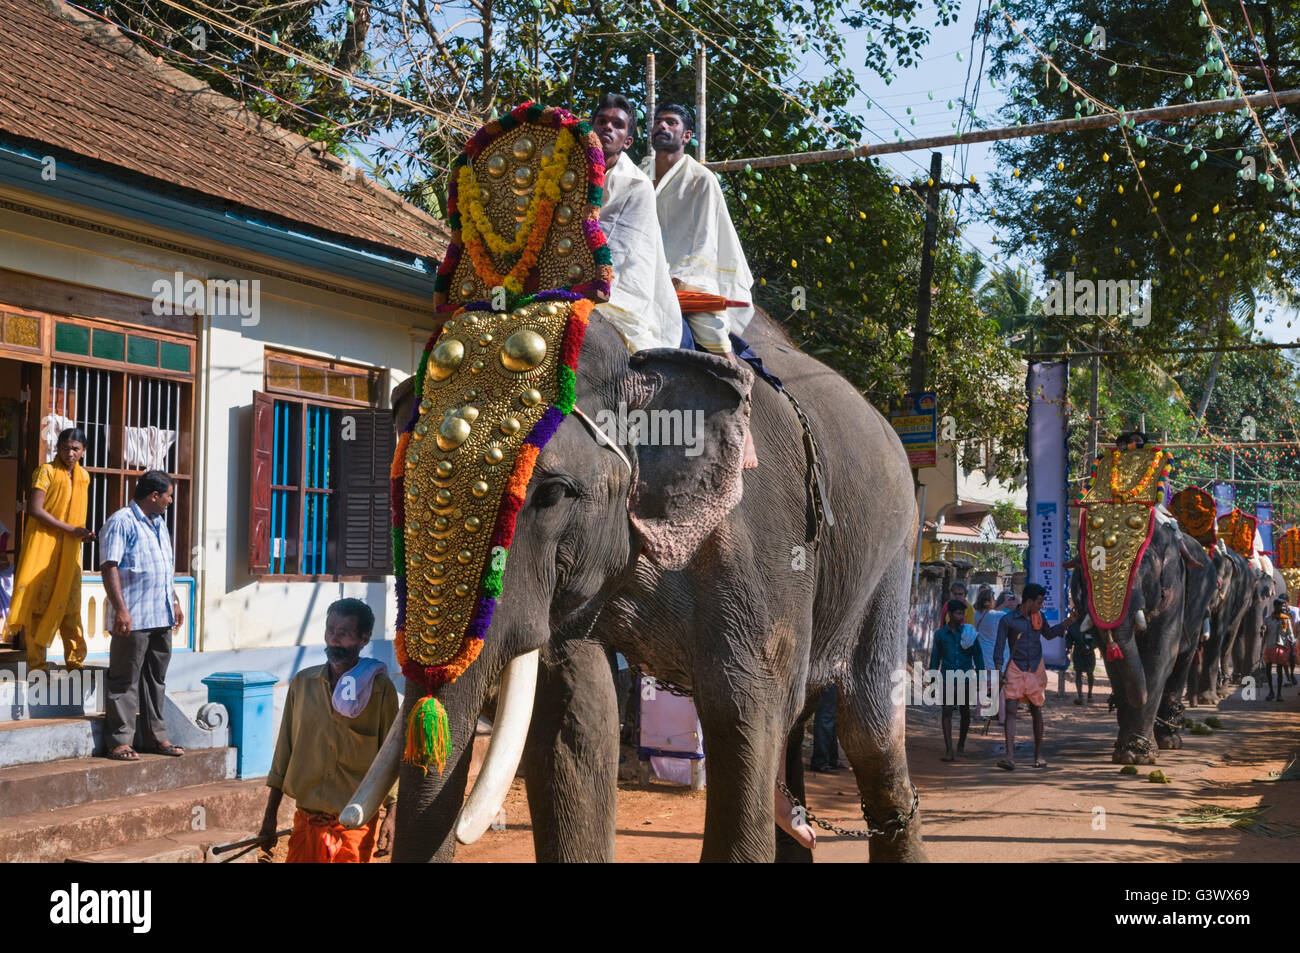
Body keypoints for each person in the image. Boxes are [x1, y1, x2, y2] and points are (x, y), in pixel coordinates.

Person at [641, 103, 758, 469]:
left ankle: (745, 428)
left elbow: (703, 239)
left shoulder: (701, 180)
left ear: (686, 136)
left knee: (712, 335)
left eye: (671, 122)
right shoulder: (636, 174)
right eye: (658, 121)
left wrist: (676, 276)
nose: (662, 126)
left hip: (686, 277)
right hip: (640, 278)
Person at [259, 599, 398, 863]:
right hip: (306, 824)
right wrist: (269, 817)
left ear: (363, 639)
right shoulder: (302, 684)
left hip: (354, 828)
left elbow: (390, 756)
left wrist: (392, 813)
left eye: (343, 634)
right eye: (330, 631)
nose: (334, 640)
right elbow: (283, 754)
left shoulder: (380, 690)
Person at [99, 470, 185, 761]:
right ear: (154, 496)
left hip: (160, 614)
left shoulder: (159, 523)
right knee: (124, 679)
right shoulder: (121, 521)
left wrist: (173, 600)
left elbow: (164, 567)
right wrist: (120, 609)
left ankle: (155, 737)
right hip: (133, 617)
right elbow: (109, 566)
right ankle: (120, 741)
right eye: (168, 496)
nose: (170, 501)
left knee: (155, 680)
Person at [589, 94, 682, 353]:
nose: (607, 127)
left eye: (617, 125)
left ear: (627, 142)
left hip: (615, 287)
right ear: (590, 127)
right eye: (601, 121)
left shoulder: (638, 185)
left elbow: (622, 253)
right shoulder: (566, 171)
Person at [3, 427, 90, 671]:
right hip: (44, 547)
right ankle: (37, 665)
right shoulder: (46, 472)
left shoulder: (84, 477)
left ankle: (75, 662)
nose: (69, 452)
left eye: (75, 448)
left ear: (83, 451)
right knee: (38, 606)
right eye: (65, 447)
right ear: (57, 448)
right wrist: (69, 530)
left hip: (70, 550)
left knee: (71, 607)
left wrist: (80, 533)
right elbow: (35, 510)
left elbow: (77, 516)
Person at [993, 583, 1079, 770]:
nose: (1041, 606)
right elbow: (999, 648)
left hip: (1035, 668)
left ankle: (1038, 756)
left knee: (1036, 710)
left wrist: (1069, 621)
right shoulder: (1007, 621)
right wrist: (999, 672)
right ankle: (1009, 757)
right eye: (1039, 602)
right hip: (1015, 668)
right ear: (1029, 601)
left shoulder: (1039, 618)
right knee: (1010, 711)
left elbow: (1049, 635)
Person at [930, 599, 983, 761]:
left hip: (966, 678)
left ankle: (961, 745)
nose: (961, 617)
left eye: (963, 614)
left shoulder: (969, 633)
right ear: (950, 614)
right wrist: (932, 680)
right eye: (958, 613)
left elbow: (978, 656)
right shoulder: (940, 635)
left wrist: (981, 678)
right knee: (946, 712)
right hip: (947, 678)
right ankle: (949, 750)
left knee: (965, 712)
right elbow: (935, 658)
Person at [975, 589, 1016, 724]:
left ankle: (979, 713)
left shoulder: (977, 614)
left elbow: (991, 613)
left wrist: (1003, 604)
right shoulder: (998, 615)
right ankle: (1002, 717)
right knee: (1000, 689)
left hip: (982, 656)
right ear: (991, 600)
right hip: (995, 658)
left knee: (983, 686)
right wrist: (1010, 602)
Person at [1262, 598, 1293, 702]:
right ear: (1276, 606)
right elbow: (1264, 632)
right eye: (1281, 606)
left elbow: (1290, 634)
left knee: (1279, 671)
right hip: (1269, 647)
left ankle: (1279, 694)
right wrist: (1263, 630)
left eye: (1284, 605)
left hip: (1281, 647)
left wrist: (1293, 647)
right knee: (1268, 670)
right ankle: (1271, 692)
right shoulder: (1267, 619)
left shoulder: (1286, 619)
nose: (1283, 607)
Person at [809, 684, 842, 772]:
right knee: (825, 716)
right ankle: (820, 762)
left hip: (834, 678)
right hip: (827, 678)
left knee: (831, 717)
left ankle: (832, 760)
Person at [1065, 620, 1097, 705]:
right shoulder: (1073, 626)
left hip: (1089, 653)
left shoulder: (1092, 625)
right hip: (1078, 653)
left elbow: (1097, 639)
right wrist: (1068, 645)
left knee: (1090, 673)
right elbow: (1069, 638)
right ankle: (1080, 696)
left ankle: (1090, 694)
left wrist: (1089, 647)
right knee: (1078, 673)